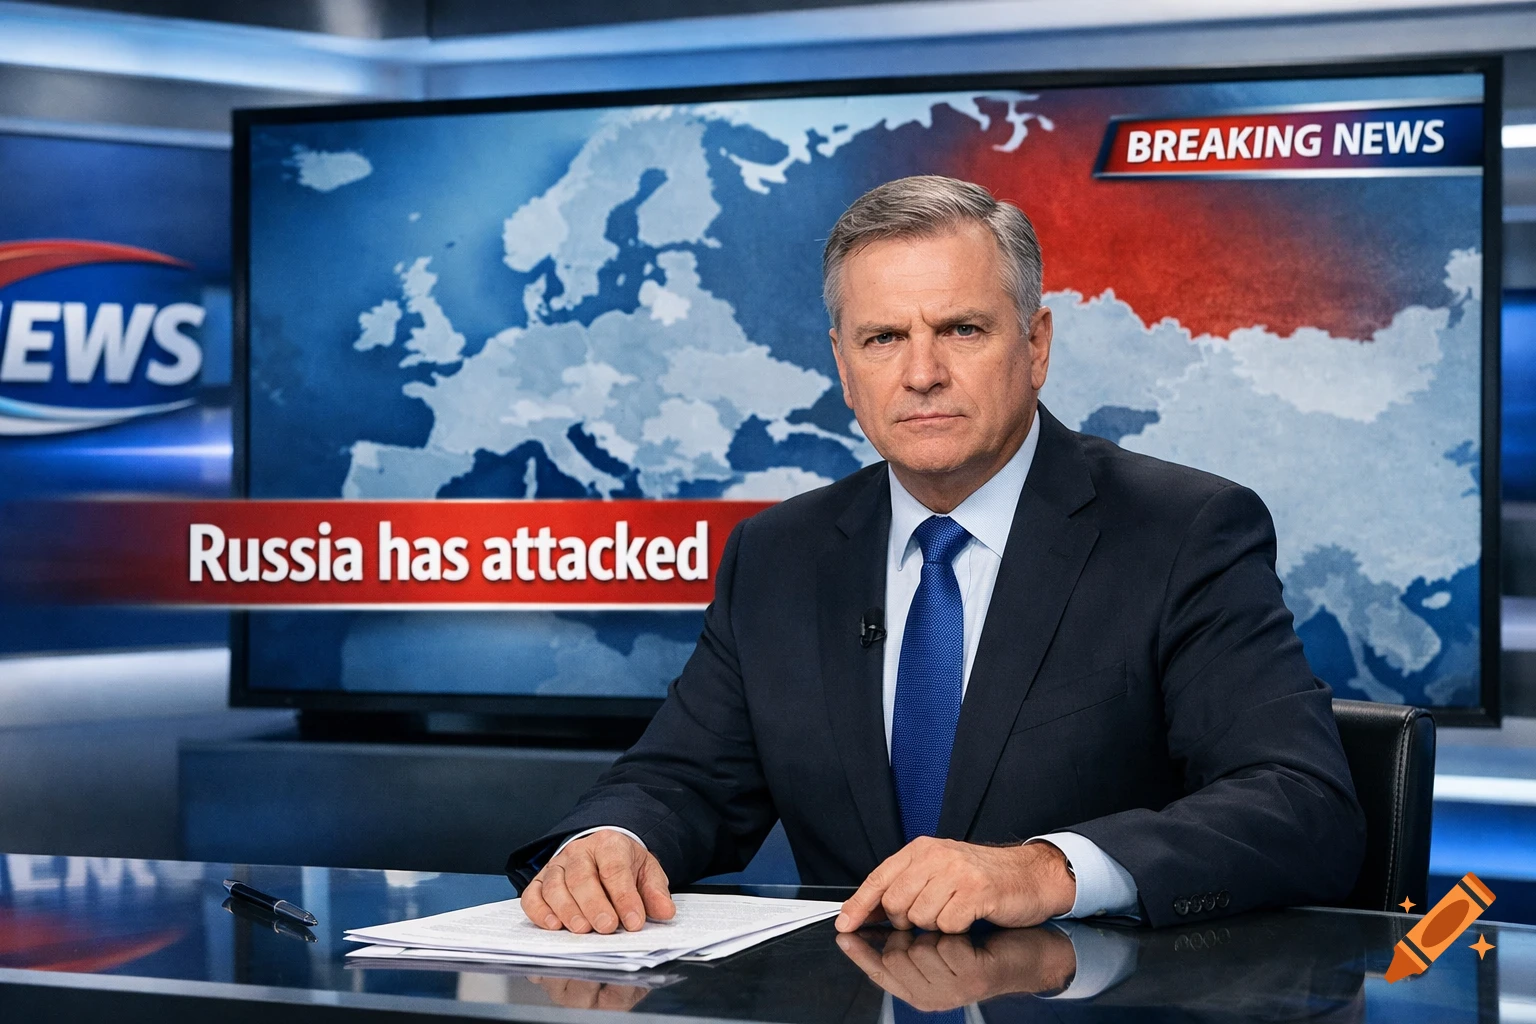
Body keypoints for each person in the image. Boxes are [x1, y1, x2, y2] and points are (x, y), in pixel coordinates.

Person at [506, 174, 1365, 935]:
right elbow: (682, 779)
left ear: (1035, 346)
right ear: (844, 370)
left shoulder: (1184, 531)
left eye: (960, 329)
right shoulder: (780, 555)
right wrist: (608, 843)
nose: (921, 373)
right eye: (883, 339)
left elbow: (1299, 803)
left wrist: (1046, 869)